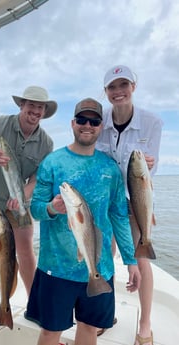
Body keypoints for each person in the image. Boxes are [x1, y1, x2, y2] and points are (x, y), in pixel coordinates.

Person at [25, 98, 141, 345]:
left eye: (94, 121)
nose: (87, 125)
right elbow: (34, 210)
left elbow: (119, 216)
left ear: (101, 126)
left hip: (100, 268)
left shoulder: (110, 168)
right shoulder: (52, 162)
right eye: (81, 120)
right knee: (49, 332)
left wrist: (131, 261)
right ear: (72, 123)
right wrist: (52, 208)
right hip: (55, 268)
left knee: (89, 329)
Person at [0, 85, 57, 345]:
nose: (35, 111)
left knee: (26, 250)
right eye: (31, 105)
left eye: (40, 107)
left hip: (19, 203)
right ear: (21, 105)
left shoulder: (46, 142)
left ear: (45, 111)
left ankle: (34, 306)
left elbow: (38, 178)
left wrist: (24, 194)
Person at [96, 65, 163, 345]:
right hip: (107, 200)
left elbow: (153, 168)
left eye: (123, 85)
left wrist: (150, 164)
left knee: (141, 257)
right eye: (112, 87)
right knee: (104, 256)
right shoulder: (98, 119)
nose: (118, 91)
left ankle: (145, 325)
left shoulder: (152, 122)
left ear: (134, 87)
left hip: (137, 198)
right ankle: (104, 313)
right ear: (106, 92)